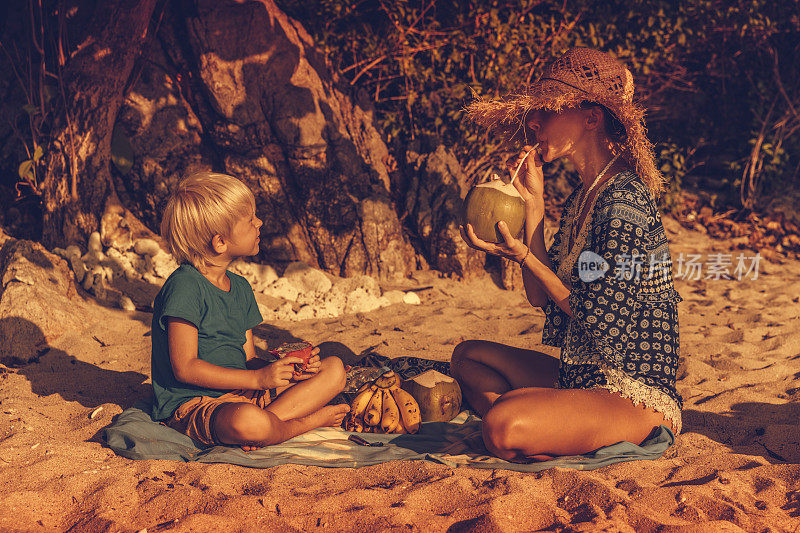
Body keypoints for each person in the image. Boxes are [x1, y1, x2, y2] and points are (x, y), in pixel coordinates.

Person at [454, 47, 683, 462]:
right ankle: (546, 429)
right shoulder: (582, 198)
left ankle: (529, 429)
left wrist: (525, 258)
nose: (534, 122)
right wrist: (535, 210)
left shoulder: (623, 205)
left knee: (502, 424)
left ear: (591, 117)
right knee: (467, 356)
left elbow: (596, 315)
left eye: (549, 111)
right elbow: (540, 298)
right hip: (581, 375)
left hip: (629, 393)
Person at [151, 172, 349, 450]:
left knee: (335, 370)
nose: (260, 223)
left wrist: (286, 368)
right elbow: (185, 368)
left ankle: (269, 427)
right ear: (220, 242)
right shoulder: (185, 287)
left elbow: (247, 358)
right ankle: (305, 423)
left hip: (245, 393)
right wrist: (258, 379)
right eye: (250, 219)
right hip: (197, 404)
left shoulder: (241, 287)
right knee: (247, 421)